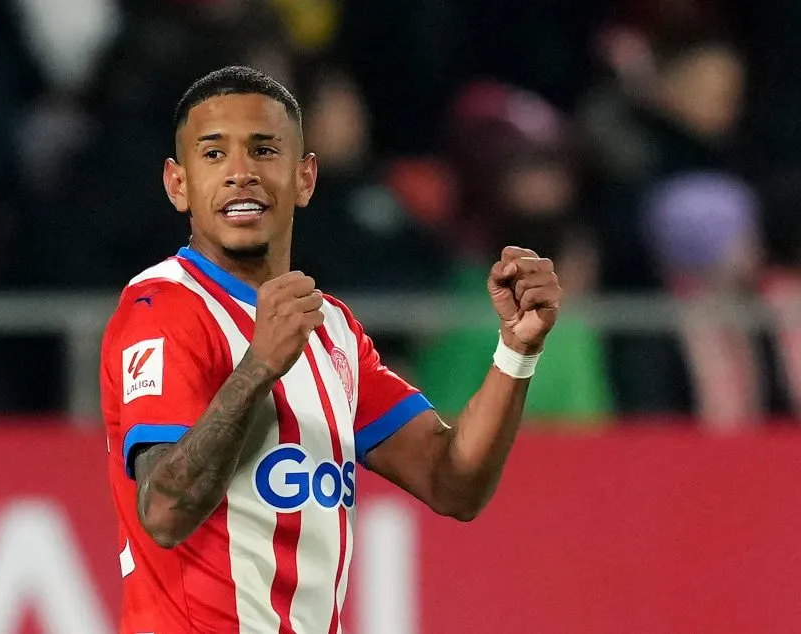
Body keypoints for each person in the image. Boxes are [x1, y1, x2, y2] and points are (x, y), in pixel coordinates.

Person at [99, 66, 563, 633]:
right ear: (179, 184)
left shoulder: (331, 330)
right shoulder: (164, 307)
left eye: (264, 150)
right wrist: (257, 369)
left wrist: (515, 352)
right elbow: (165, 512)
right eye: (214, 155)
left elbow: (452, 482)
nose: (240, 173)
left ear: (305, 177)